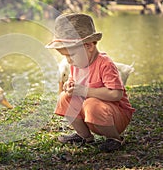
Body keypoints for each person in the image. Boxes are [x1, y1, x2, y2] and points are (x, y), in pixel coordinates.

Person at [45, 13, 135, 152]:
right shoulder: (76, 64)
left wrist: (83, 91)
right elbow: (74, 81)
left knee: (91, 104)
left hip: (114, 117)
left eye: (71, 55)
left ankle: (115, 139)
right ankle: (84, 136)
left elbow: (116, 94)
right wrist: (70, 85)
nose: (68, 60)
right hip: (91, 114)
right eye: (65, 56)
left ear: (89, 46)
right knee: (64, 98)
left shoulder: (105, 64)